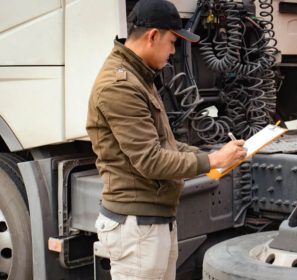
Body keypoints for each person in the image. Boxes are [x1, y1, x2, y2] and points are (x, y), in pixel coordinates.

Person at [86, 0, 247, 279]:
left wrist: (215, 157)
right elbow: (150, 160)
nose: (173, 52)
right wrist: (212, 160)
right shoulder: (120, 86)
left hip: (149, 223)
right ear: (153, 36)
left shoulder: (139, 77)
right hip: (137, 227)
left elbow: (165, 143)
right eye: (172, 42)